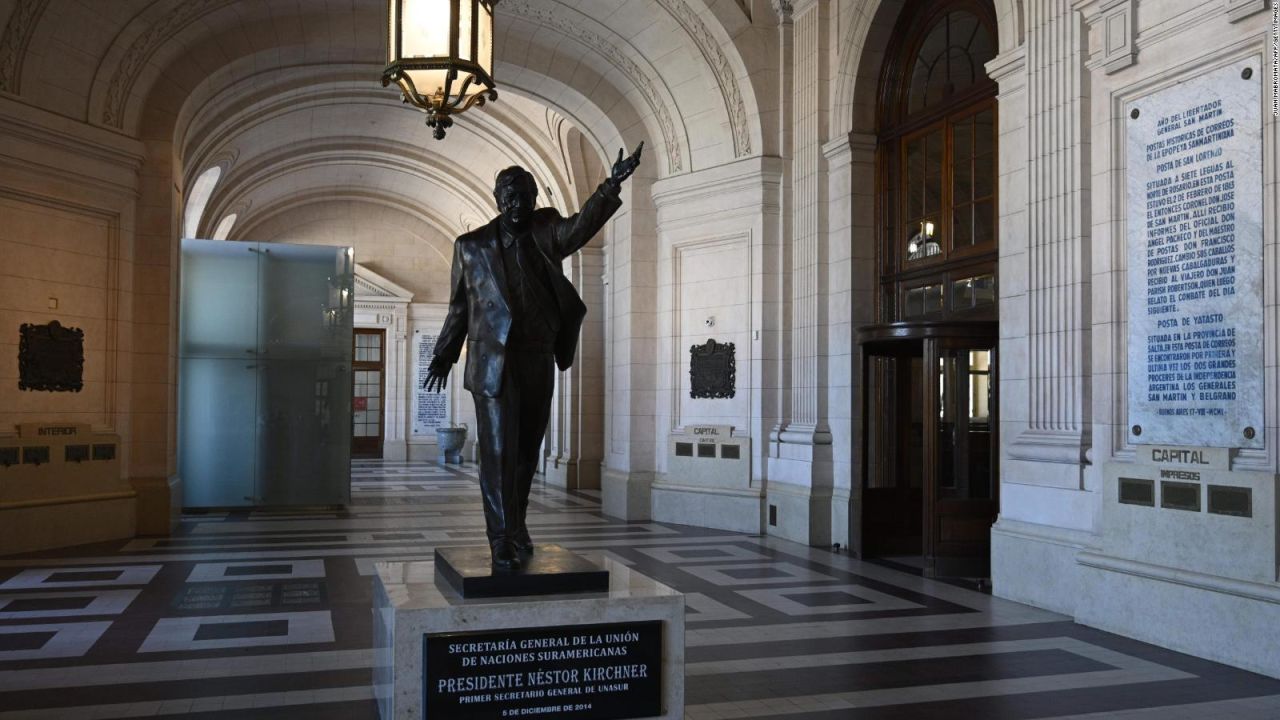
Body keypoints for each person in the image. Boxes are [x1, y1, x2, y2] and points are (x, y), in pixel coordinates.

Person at [422, 143, 643, 569]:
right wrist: (444, 356)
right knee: (499, 454)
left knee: (526, 453)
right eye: (508, 197)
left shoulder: (546, 231)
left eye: (523, 196)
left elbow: (579, 228)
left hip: (538, 358)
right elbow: (460, 307)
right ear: (496, 200)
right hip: (494, 366)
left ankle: (518, 523)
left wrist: (610, 185)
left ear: (534, 199)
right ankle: (500, 536)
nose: (516, 204)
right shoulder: (471, 247)